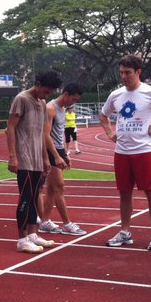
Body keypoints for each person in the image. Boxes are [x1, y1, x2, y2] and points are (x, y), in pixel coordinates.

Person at [99, 54, 151, 252]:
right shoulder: (116, 95)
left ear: (138, 72)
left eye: (128, 73)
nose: (124, 77)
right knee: (124, 193)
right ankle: (125, 232)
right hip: (122, 151)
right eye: (121, 73)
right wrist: (110, 133)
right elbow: (103, 115)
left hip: (144, 150)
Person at [6, 70, 63, 253]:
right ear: (37, 84)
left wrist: (46, 158)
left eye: (49, 93)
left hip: (37, 158)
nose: (46, 95)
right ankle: (22, 239)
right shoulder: (21, 99)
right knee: (25, 197)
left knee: (33, 197)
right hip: (24, 158)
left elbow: (41, 133)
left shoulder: (42, 103)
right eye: (45, 91)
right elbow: (10, 128)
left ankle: (32, 234)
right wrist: (13, 156)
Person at [39, 83, 87, 237]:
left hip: (58, 150)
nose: (74, 103)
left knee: (52, 189)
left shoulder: (62, 109)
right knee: (59, 187)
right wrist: (56, 156)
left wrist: (64, 154)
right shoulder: (50, 108)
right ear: (66, 94)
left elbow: (58, 133)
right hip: (50, 150)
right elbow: (45, 135)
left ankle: (44, 222)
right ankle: (67, 224)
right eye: (73, 99)